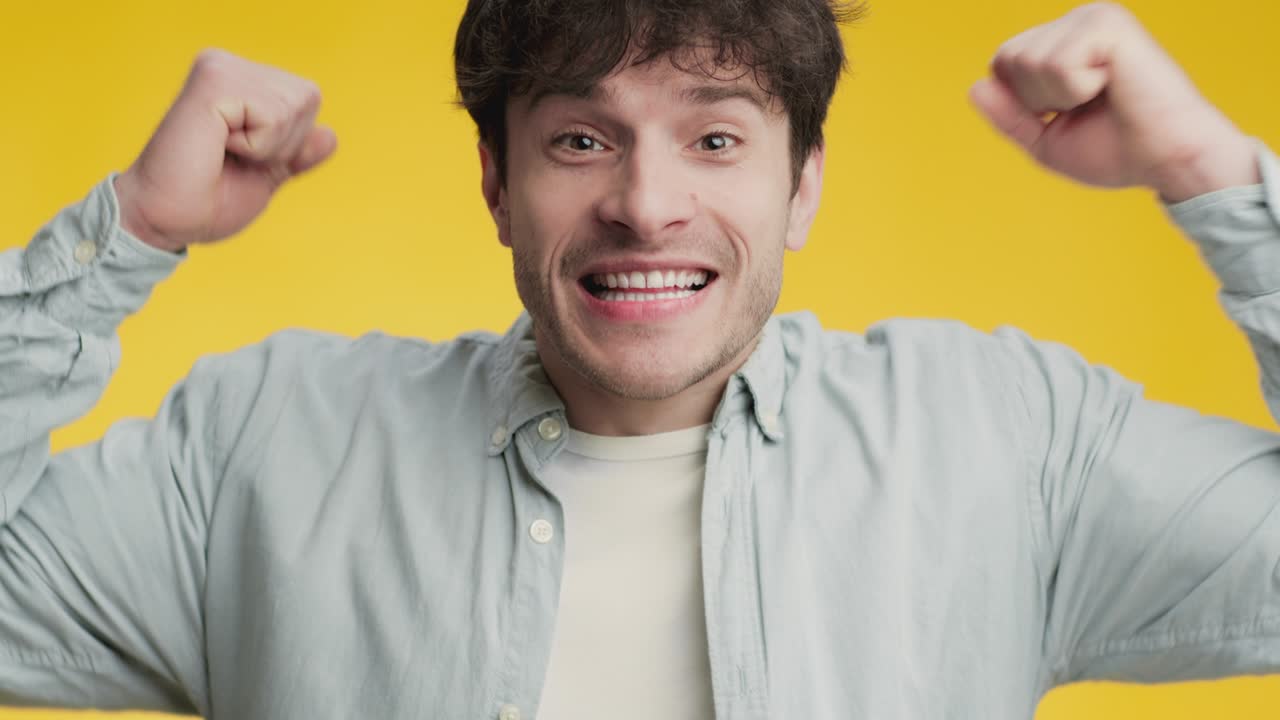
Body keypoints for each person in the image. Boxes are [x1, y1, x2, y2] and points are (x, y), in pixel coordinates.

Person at [1, 0, 1277, 718]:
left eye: (715, 140)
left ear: (801, 186)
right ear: (496, 185)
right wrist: (131, 231)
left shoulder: (1004, 441)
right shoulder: (262, 449)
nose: (646, 205)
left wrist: (1208, 173)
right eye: (579, 141)